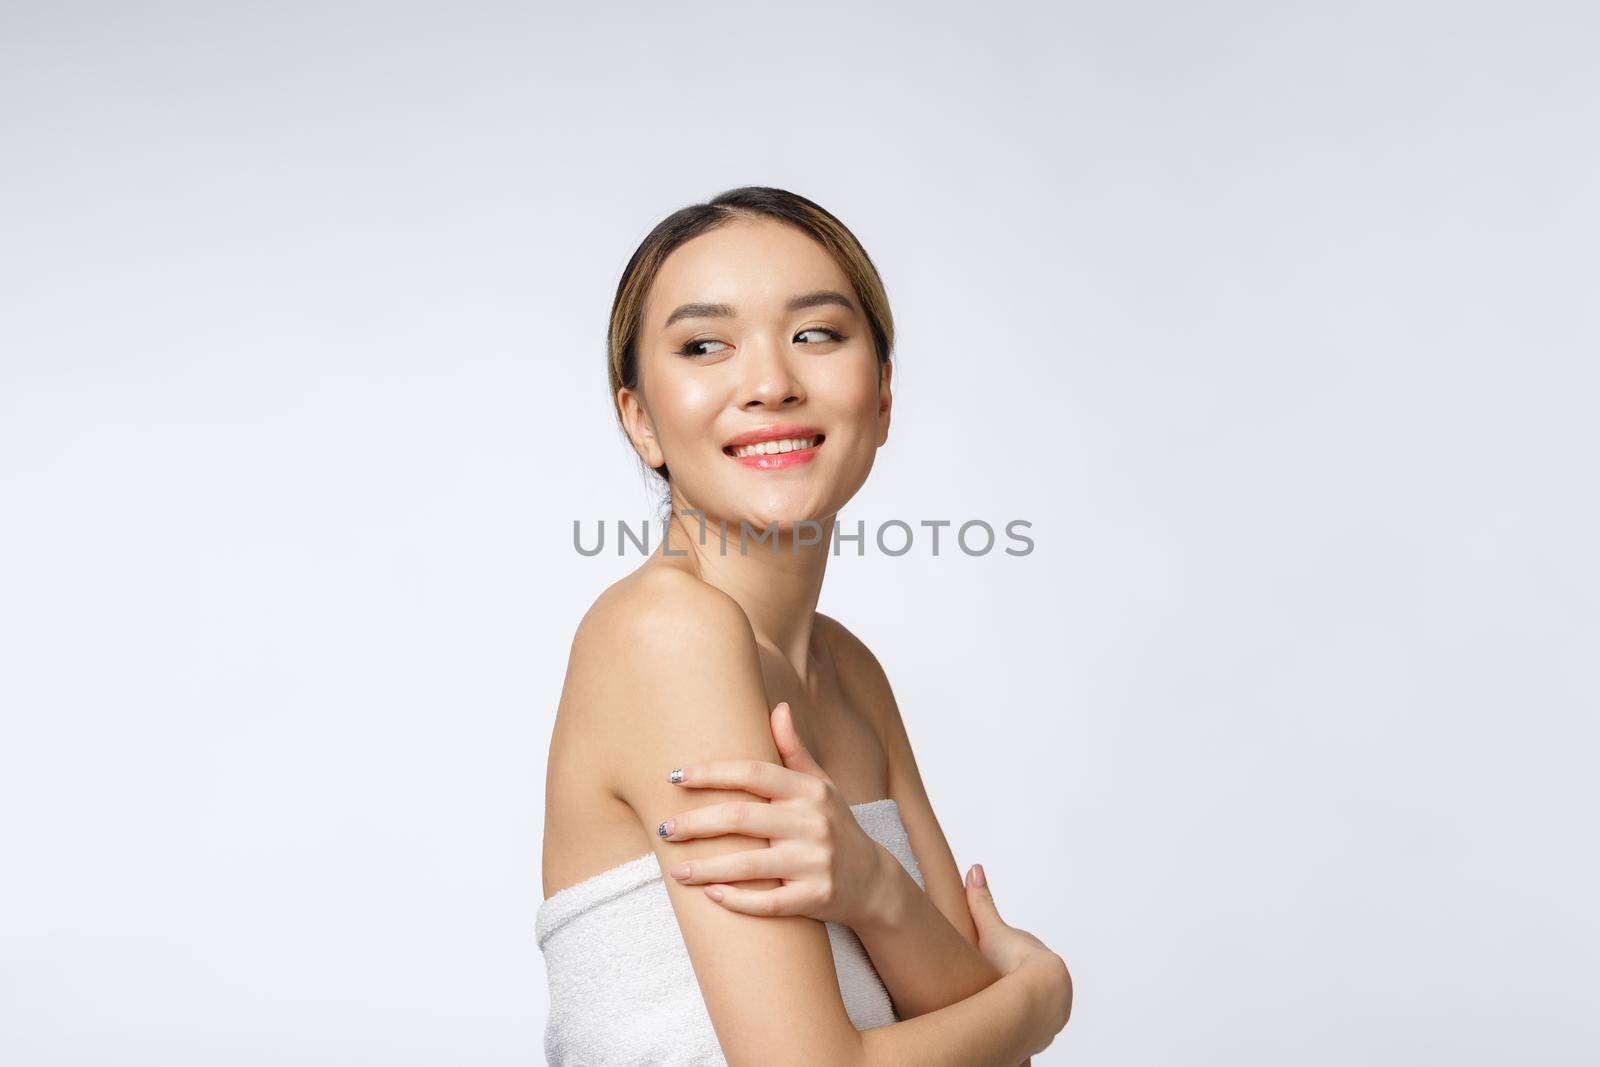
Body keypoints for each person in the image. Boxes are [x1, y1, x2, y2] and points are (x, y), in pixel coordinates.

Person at [537, 186, 1072, 1065]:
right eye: (705, 345)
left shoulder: (849, 671)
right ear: (641, 419)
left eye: (816, 333)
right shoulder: (667, 634)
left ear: (884, 393)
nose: (772, 383)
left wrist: (871, 885)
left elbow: (977, 1028)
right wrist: (1045, 995)